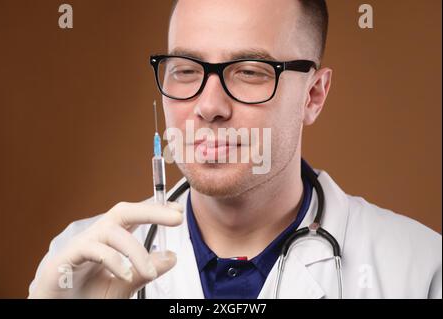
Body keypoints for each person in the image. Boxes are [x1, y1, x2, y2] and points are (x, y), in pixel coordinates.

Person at [29, 0, 441, 299]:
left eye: (248, 72)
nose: (209, 107)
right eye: (186, 71)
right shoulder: (77, 260)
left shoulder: (420, 271)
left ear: (313, 95)